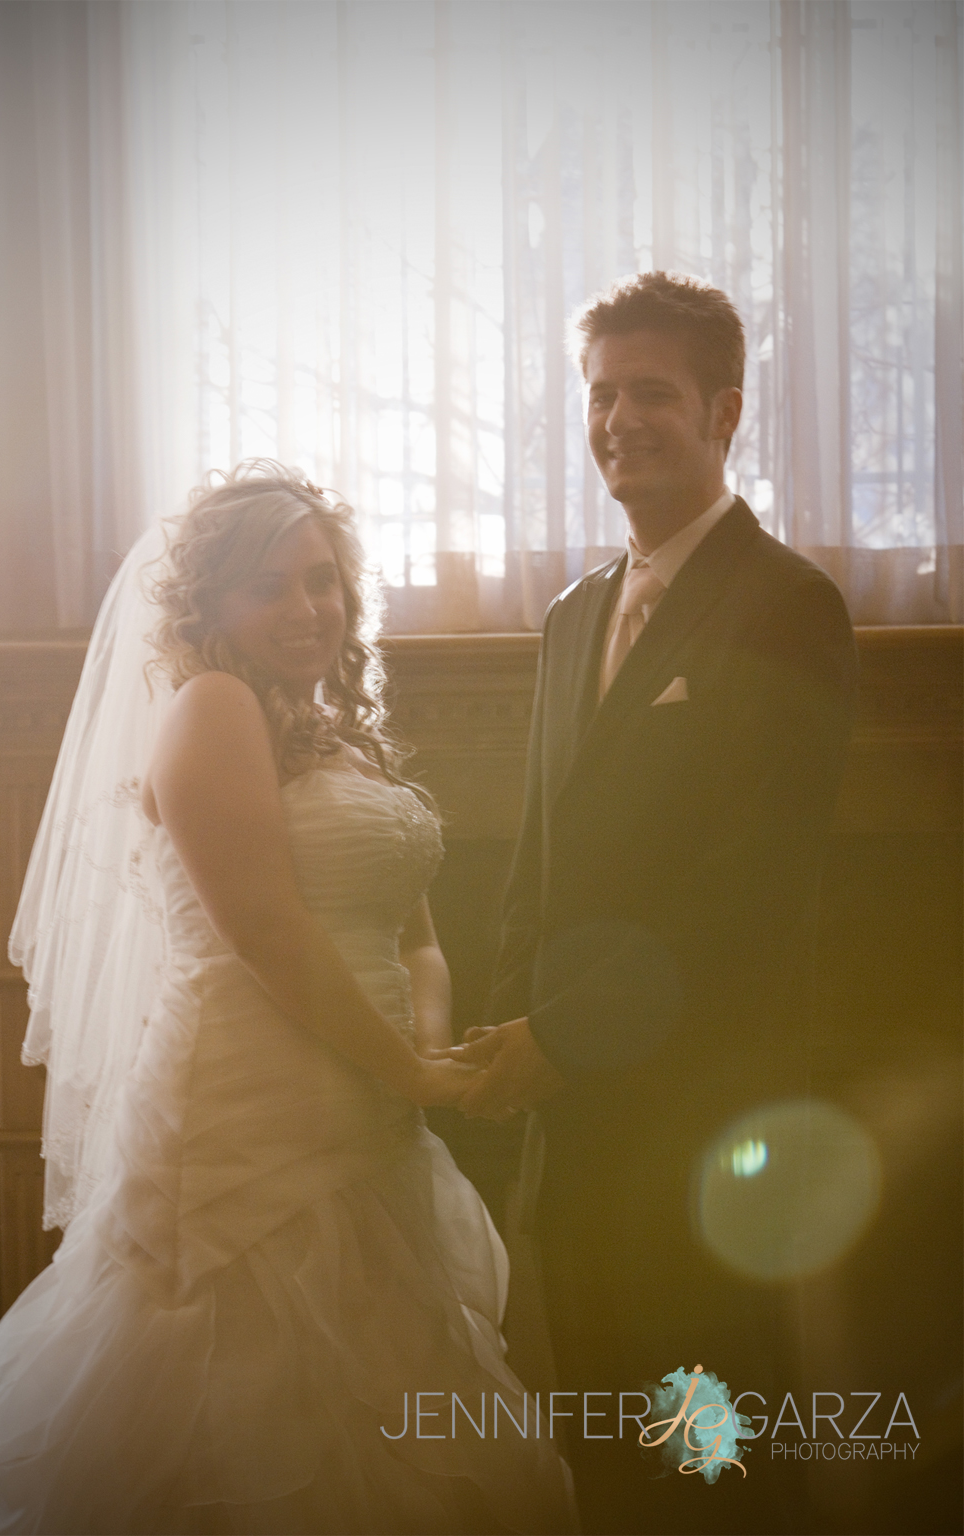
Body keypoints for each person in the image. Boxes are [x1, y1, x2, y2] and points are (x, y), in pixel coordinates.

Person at [0, 462, 579, 1534]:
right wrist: (410, 1069)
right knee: (231, 1405)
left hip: (368, 1106)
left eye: (323, 580)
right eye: (270, 586)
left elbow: (416, 938)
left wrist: (430, 1060)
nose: (308, 609)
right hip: (244, 1109)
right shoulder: (209, 706)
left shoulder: (338, 733)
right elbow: (267, 938)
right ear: (209, 605)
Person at [455, 271, 857, 1534]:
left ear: (723, 411)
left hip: (701, 1108)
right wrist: (502, 1048)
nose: (618, 419)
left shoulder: (788, 606)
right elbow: (538, 861)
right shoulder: (572, 615)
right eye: (599, 393)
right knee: (608, 1418)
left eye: (652, 394)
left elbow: (747, 892)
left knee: (711, 1430)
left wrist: (558, 1042)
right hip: (565, 1115)